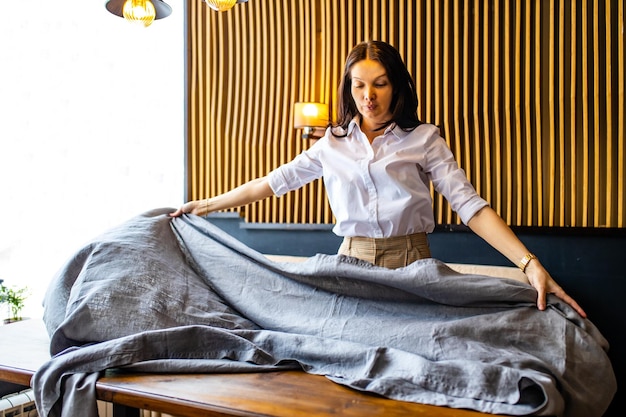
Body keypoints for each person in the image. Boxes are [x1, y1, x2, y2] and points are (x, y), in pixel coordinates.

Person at [171, 40, 586, 318]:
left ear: (397, 86)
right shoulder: (331, 144)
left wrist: (530, 264)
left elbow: (470, 207)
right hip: (350, 266)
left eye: (380, 84)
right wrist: (202, 206)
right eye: (359, 85)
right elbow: (270, 183)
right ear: (348, 89)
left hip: (413, 265)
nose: (369, 96)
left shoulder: (424, 139)